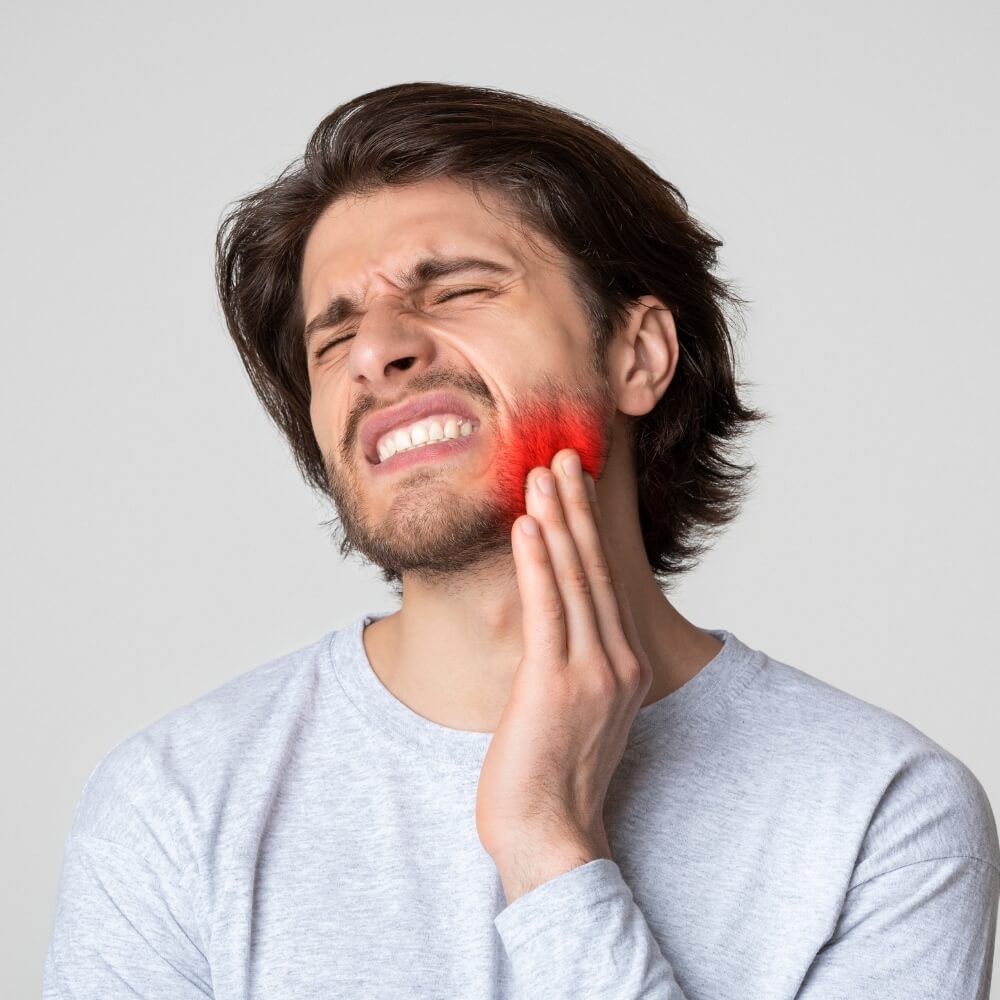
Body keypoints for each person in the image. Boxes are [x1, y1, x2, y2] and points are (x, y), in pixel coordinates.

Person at [43, 82, 999, 999]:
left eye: (456, 288)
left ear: (638, 355)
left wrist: (548, 848)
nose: (376, 350)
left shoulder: (881, 812)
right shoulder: (174, 800)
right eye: (332, 339)